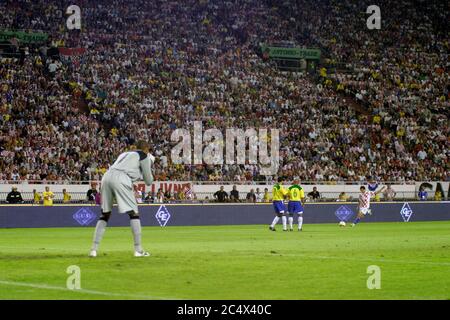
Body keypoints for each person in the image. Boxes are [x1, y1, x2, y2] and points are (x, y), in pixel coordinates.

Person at [90, 140, 155, 258]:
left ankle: (93, 250)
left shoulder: (124, 154)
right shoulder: (144, 155)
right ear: (146, 149)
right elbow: (149, 181)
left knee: (105, 214)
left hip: (106, 177)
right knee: (134, 213)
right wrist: (149, 163)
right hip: (121, 178)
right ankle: (138, 250)